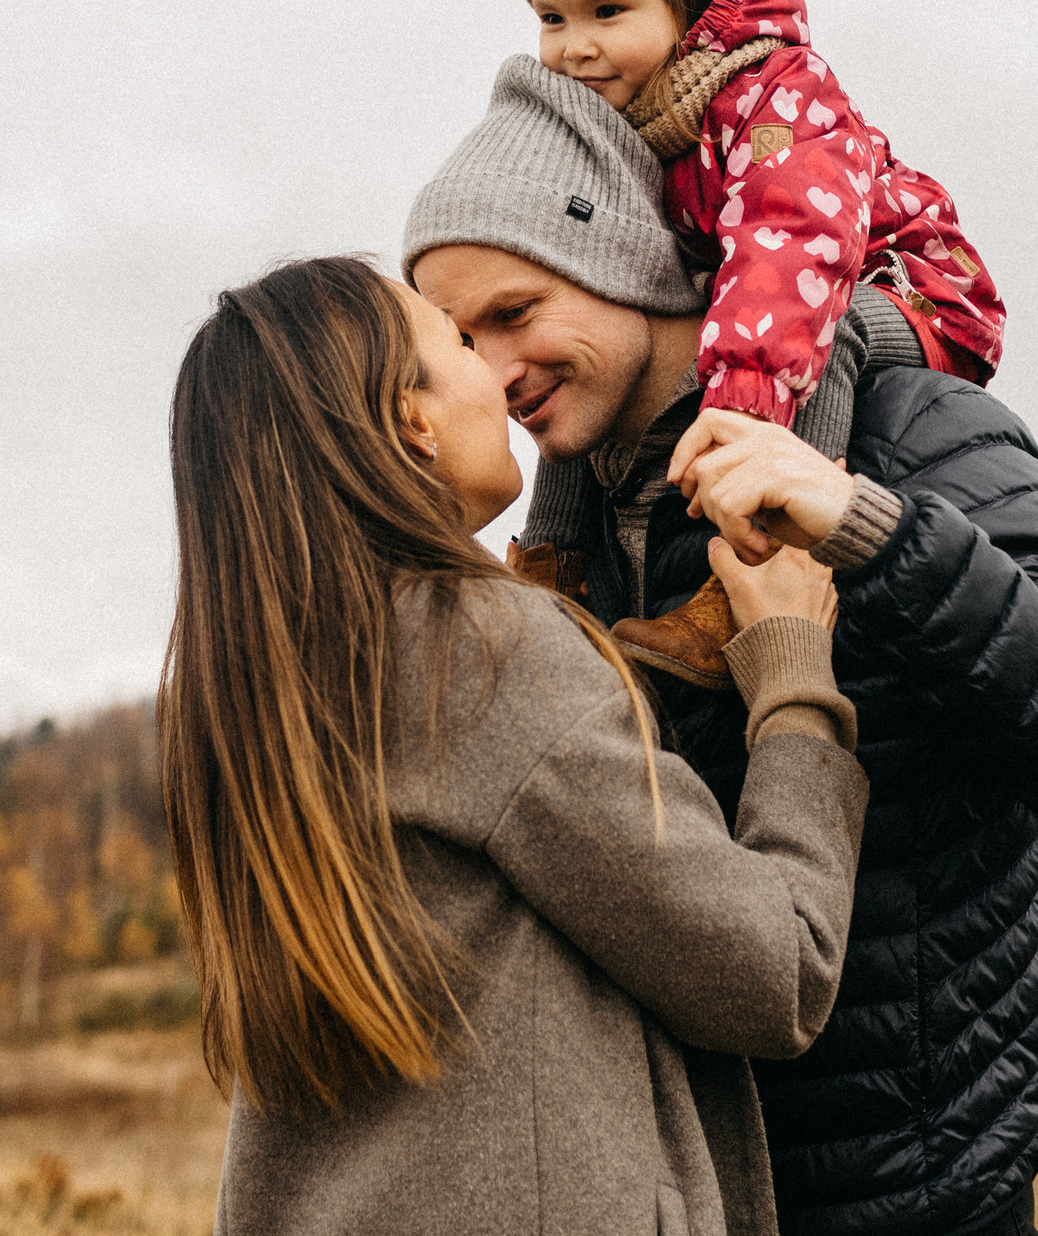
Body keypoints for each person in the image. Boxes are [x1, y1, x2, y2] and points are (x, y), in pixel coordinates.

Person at [403, 72, 1038, 1236]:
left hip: (916, 1192)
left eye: (518, 311)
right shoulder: (563, 529)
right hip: (690, 1192)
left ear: (632, 259)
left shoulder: (907, 431)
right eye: (462, 336)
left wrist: (869, 531)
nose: (493, 367)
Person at [160, 254, 872, 1236]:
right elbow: (772, 974)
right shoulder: (479, 650)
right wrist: (793, 678)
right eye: (455, 343)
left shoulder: (262, 698)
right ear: (410, 421)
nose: (496, 375)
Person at [510, 0, 1008, 691]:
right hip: (766, 294)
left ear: (688, 3)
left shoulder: (774, 94)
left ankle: (754, 564)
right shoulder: (626, 117)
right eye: (549, 18)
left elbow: (793, 249)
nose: (572, 47)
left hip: (908, 285)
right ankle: (554, 570)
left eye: (606, 11)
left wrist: (739, 413)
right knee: (589, 354)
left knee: (833, 335)